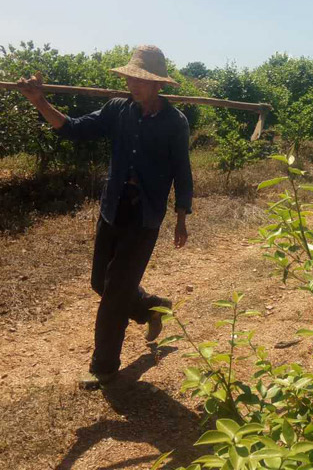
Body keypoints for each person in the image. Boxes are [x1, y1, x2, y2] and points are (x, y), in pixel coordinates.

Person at [16, 45, 193, 390]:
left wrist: (181, 215)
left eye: (141, 80)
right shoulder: (118, 110)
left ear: (158, 84)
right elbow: (75, 129)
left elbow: (182, 171)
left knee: (114, 294)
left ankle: (104, 366)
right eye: (130, 78)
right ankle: (151, 309)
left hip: (145, 215)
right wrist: (39, 102)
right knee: (101, 282)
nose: (133, 84)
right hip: (113, 207)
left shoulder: (175, 123)